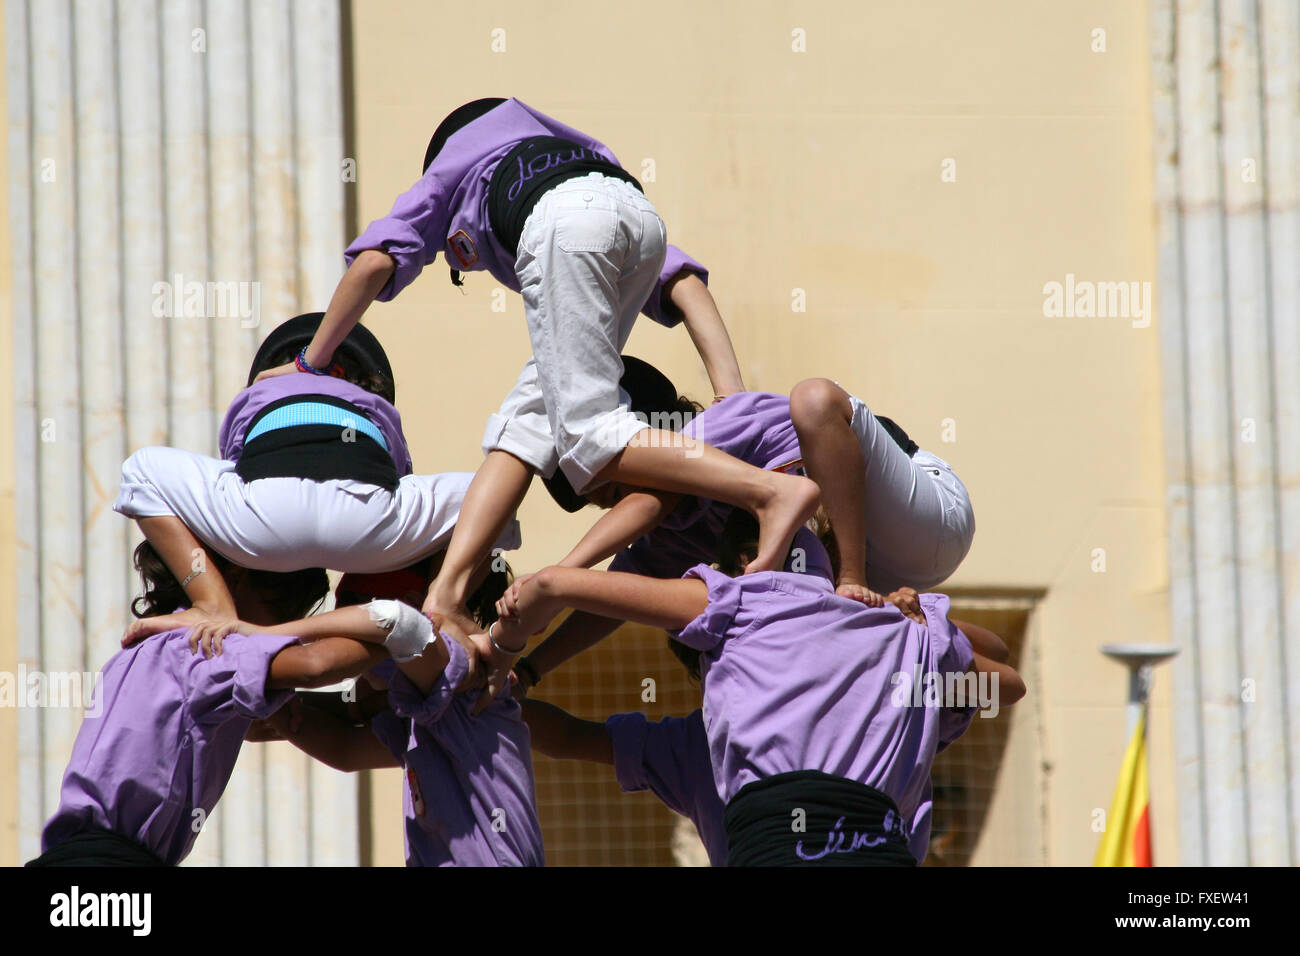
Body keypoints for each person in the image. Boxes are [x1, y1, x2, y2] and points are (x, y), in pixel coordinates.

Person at [250, 97, 819, 700]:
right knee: (527, 424)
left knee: (589, 438)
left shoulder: (456, 167)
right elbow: (684, 284)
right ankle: (446, 594)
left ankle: (771, 492)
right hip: (640, 221)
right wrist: (731, 397)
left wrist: (308, 363)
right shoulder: (576, 156)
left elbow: (372, 263)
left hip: (565, 230)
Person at [487, 509, 1025, 866]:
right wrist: (914, 617)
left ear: (742, 563)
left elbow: (567, 722)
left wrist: (511, 668)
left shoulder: (744, 603)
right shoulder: (898, 633)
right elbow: (1005, 680)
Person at [113, 312, 519, 636]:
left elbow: (236, 461)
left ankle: (210, 603)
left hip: (265, 526)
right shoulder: (371, 404)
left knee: (140, 470)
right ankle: (445, 601)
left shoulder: (259, 392)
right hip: (367, 531)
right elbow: (396, 471)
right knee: (490, 494)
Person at [28, 544, 390, 866]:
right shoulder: (206, 644)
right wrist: (407, 632)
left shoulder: (160, 648)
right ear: (236, 579)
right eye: (286, 611)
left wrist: (344, 703)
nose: (284, 632)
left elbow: (271, 720)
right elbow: (315, 666)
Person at [243, 570, 545, 867]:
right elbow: (347, 748)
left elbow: (396, 623)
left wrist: (263, 638)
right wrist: (275, 708)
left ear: (413, 601)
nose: (338, 635)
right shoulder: (419, 707)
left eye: (352, 612)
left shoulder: (464, 675)